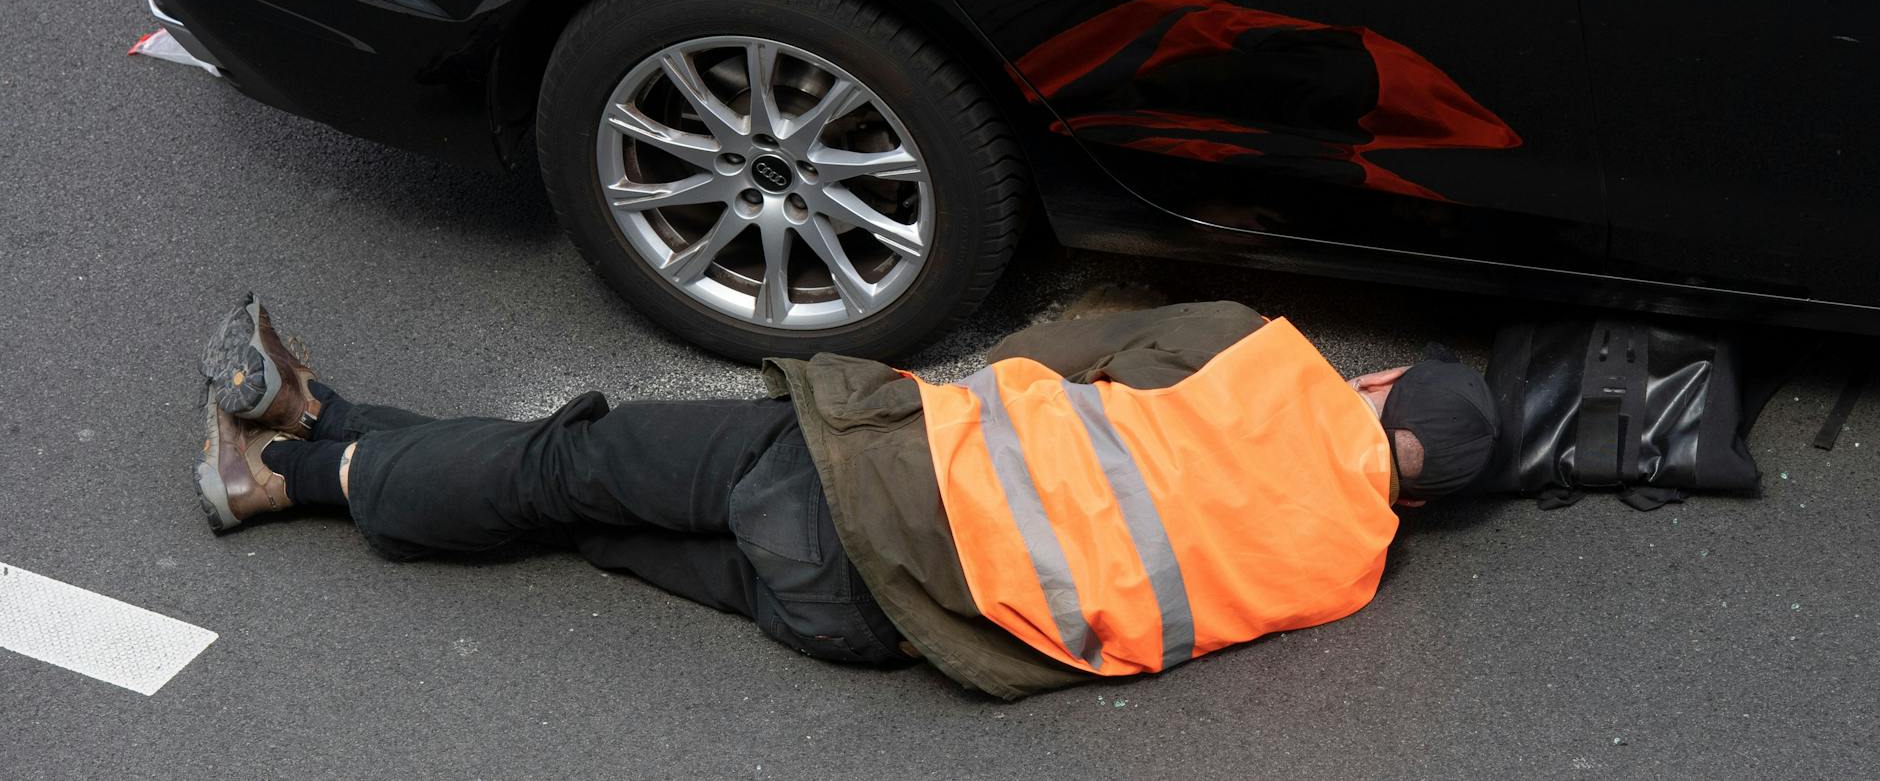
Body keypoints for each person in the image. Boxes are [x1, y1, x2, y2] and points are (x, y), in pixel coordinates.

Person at [192, 293, 1500, 699]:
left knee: (565, 466)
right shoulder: (1348, 572)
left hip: (851, 475)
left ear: (1378, 380)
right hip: (881, 624)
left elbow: (1062, 349)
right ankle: (329, 415)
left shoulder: (1262, 357)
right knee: (583, 525)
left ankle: (285, 471)